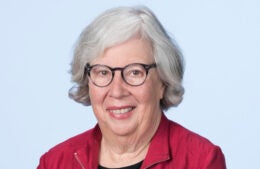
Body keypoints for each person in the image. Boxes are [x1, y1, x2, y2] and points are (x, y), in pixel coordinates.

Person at [37, 6, 226, 169]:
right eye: (103, 72)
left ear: (163, 81)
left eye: (135, 72)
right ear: (88, 81)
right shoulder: (55, 162)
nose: (117, 91)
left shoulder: (200, 160)